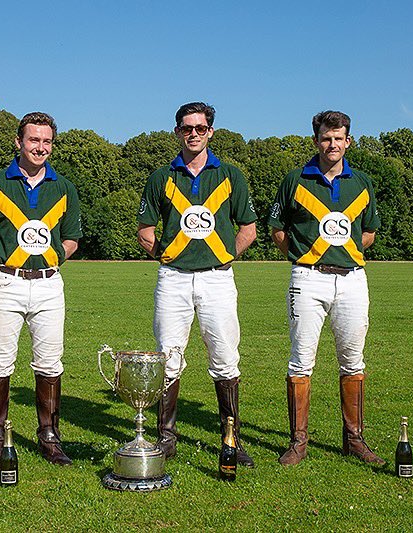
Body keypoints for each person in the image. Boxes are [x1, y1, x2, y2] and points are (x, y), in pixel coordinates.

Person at [137, 102, 257, 466]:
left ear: (210, 132)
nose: (193, 134)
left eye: (200, 128)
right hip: (172, 279)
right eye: (187, 128)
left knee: (225, 360)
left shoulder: (231, 175)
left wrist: (224, 256)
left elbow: (248, 229)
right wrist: (168, 257)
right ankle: (167, 437)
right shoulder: (161, 177)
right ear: (177, 132)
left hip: (217, 280)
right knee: (169, 358)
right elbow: (145, 232)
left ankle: (231, 438)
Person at [268, 110, 385, 466]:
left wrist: (343, 254)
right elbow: (277, 230)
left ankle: (354, 440)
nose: (332, 144)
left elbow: (368, 233)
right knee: (301, 360)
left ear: (348, 141)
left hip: (352, 279)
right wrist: (306, 257)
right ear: (316, 140)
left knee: (353, 360)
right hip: (308, 278)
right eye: (326, 138)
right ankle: (298, 442)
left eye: (339, 138)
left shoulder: (362, 182)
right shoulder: (295, 180)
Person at [0, 112, 82, 468]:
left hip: (50, 285)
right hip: (6, 282)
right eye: (34, 140)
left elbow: (72, 240)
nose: (40, 147)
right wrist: (5, 271)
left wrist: (49, 261)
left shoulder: (63, 187)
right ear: (18, 142)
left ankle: (49, 437)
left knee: (50, 364)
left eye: (47, 141)